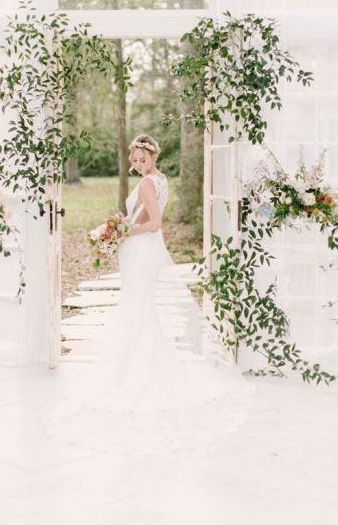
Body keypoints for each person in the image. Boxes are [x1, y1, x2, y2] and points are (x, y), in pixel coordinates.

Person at [42, 134, 255, 455]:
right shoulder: (158, 180)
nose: (138, 165)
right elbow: (141, 216)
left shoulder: (146, 184)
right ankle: (135, 367)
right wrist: (114, 229)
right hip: (141, 251)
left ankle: (138, 374)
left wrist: (123, 230)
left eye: (143, 160)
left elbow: (154, 223)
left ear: (153, 156)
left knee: (136, 310)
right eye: (135, 160)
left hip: (142, 251)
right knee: (138, 311)